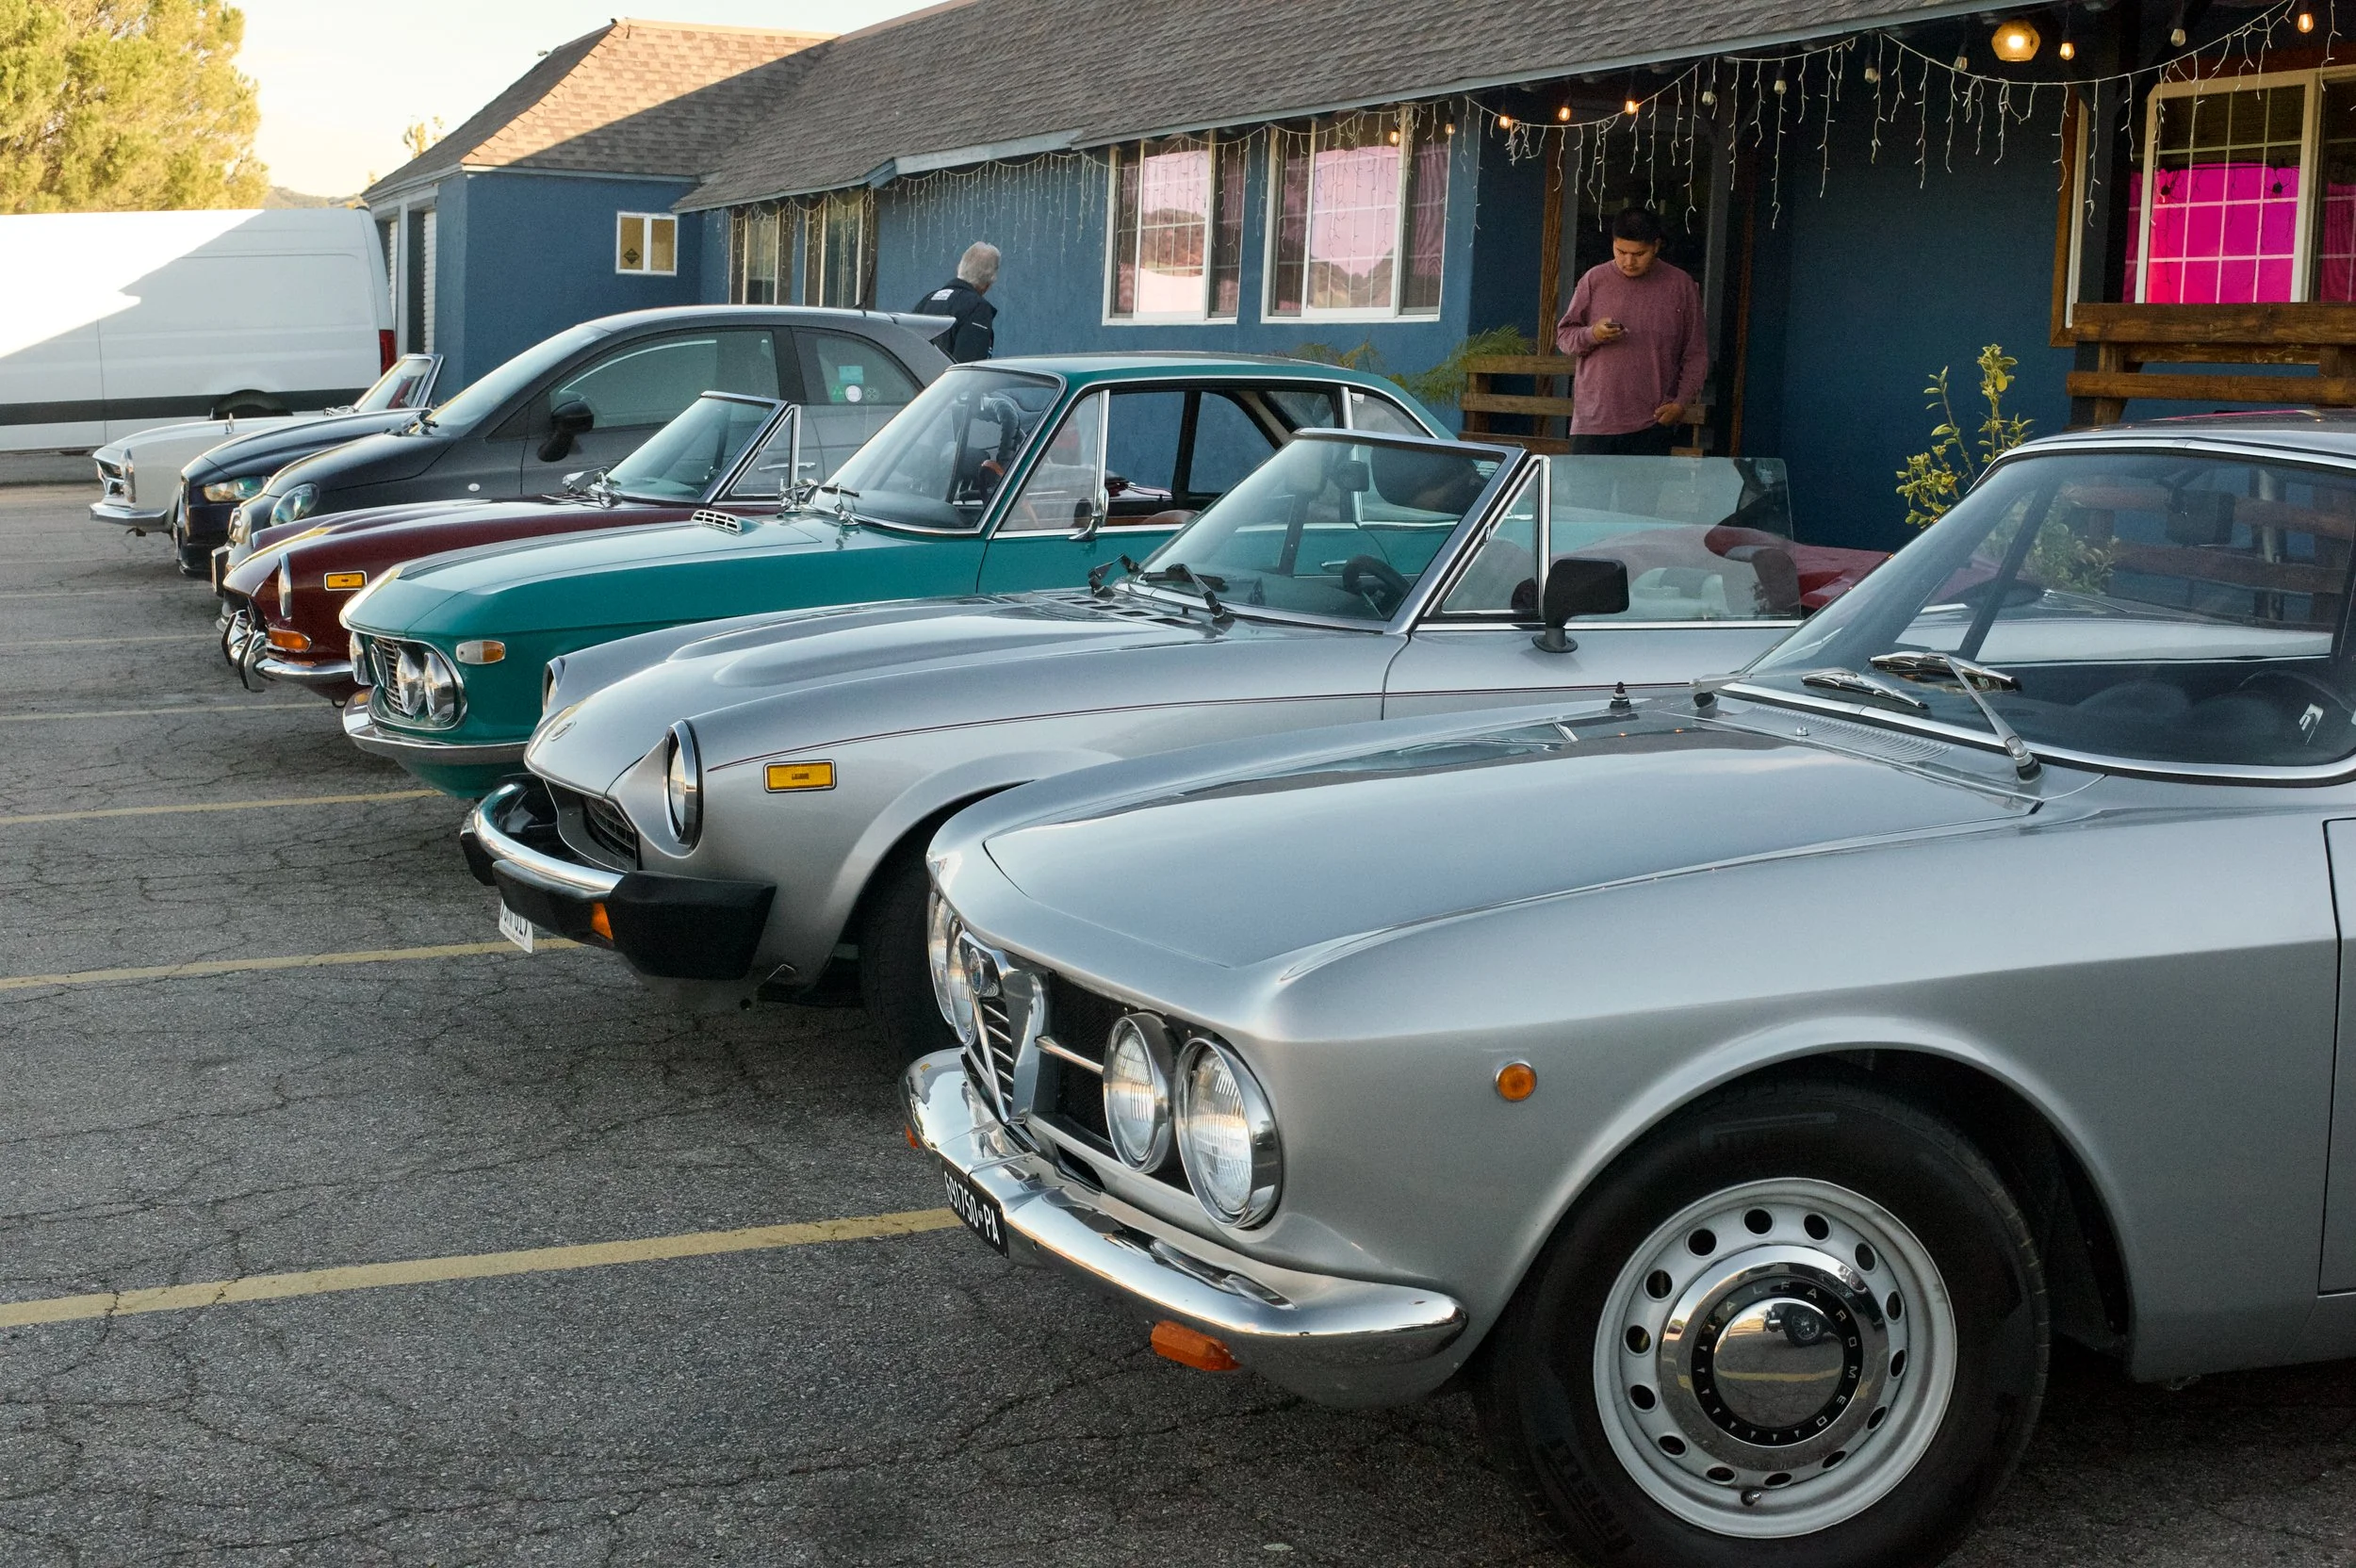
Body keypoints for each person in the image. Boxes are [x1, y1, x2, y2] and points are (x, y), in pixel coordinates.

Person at [1555, 208, 1708, 456]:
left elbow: (1696, 354)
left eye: (1638, 254)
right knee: (1585, 485)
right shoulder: (1594, 280)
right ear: (1613, 243)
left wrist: (1680, 403)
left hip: (1653, 422)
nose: (1628, 262)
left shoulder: (1681, 286)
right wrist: (1594, 334)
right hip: (1594, 422)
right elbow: (1564, 337)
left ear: (1656, 246)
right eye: (1620, 251)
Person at [912, 242, 1000, 363]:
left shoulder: (928, 300)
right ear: (989, 282)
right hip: (949, 375)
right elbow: (969, 363)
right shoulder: (977, 309)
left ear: (959, 267)